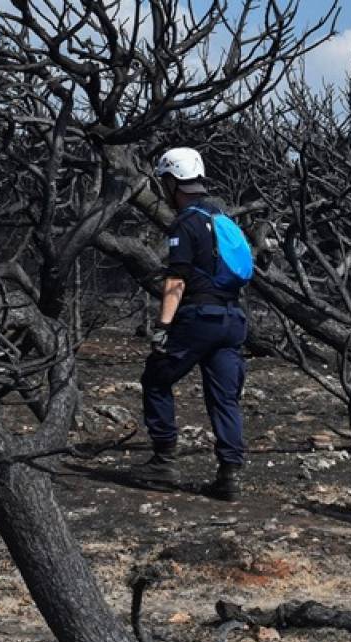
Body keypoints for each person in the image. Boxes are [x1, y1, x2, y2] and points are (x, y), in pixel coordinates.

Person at [137, 147, 250, 501]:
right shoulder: (222, 216)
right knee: (224, 396)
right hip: (233, 318)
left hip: (199, 318)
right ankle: (229, 473)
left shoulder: (185, 222)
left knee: (156, 376)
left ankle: (164, 460)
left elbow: (177, 281)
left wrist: (162, 327)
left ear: (172, 182)